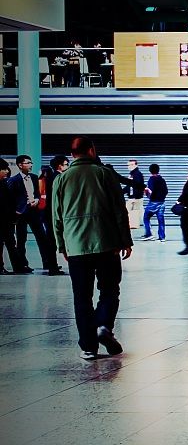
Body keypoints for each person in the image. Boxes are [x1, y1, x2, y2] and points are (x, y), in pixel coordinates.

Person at [50, 137, 132, 360]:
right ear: (92, 150)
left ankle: (88, 346)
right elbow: (119, 210)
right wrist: (125, 239)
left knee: (81, 297)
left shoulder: (61, 179)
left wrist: (62, 245)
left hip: (76, 246)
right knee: (109, 289)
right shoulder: (104, 173)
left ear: (72, 153)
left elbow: (56, 218)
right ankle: (104, 325)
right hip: (106, 243)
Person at [8, 154, 61, 274]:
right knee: (21, 240)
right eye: (28, 163)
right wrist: (16, 210)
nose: (31, 165)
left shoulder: (34, 177)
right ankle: (23, 264)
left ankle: (47, 262)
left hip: (34, 212)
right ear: (20, 165)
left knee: (42, 238)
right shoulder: (13, 180)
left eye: (31, 163)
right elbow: (11, 198)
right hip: (21, 213)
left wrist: (36, 199)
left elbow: (37, 193)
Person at [40, 156, 70, 268]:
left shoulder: (51, 177)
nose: (67, 166)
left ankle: (51, 264)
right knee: (52, 240)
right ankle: (52, 266)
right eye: (66, 164)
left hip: (48, 212)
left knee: (51, 240)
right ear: (59, 165)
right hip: (53, 213)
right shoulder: (58, 177)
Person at [0, 159, 19, 273]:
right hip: (2, 220)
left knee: (11, 243)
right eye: (3, 169)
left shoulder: (5, 183)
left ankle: (18, 267)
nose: (7, 171)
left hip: (7, 221)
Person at [141, 163, 168, 242]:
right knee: (161, 220)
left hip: (153, 202)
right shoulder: (162, 180)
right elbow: (166, 191)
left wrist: (147, 192)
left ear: (150, 171)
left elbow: (150, 191)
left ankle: (149, 234)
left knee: (146, 217)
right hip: (162, 202)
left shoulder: (152, 179)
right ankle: (162, 237)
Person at [124, 160, 145, 230]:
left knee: (138, 213)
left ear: (136, 165)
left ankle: (148, 230)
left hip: (135, 198)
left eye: (132, 165)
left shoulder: (137, 174)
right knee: (139, 213)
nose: (129, 166)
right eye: (128, 165)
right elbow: (128, 186)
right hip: (133, 198)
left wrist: (135, 197)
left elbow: (138, 186)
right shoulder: (132, 174)